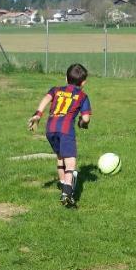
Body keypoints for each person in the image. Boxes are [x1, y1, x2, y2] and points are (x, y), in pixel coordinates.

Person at [28, 63, 92, 208]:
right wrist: (82, 123)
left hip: (50, 129)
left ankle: (63, 184)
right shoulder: (82, 96)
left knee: (60, 157)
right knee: (70, 161)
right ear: (83, 82)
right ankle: (67, 192)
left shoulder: (56, 90)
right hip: (66, 130)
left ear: (65, 78)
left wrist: (38, 115)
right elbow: (86, 118)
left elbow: (45, 99)